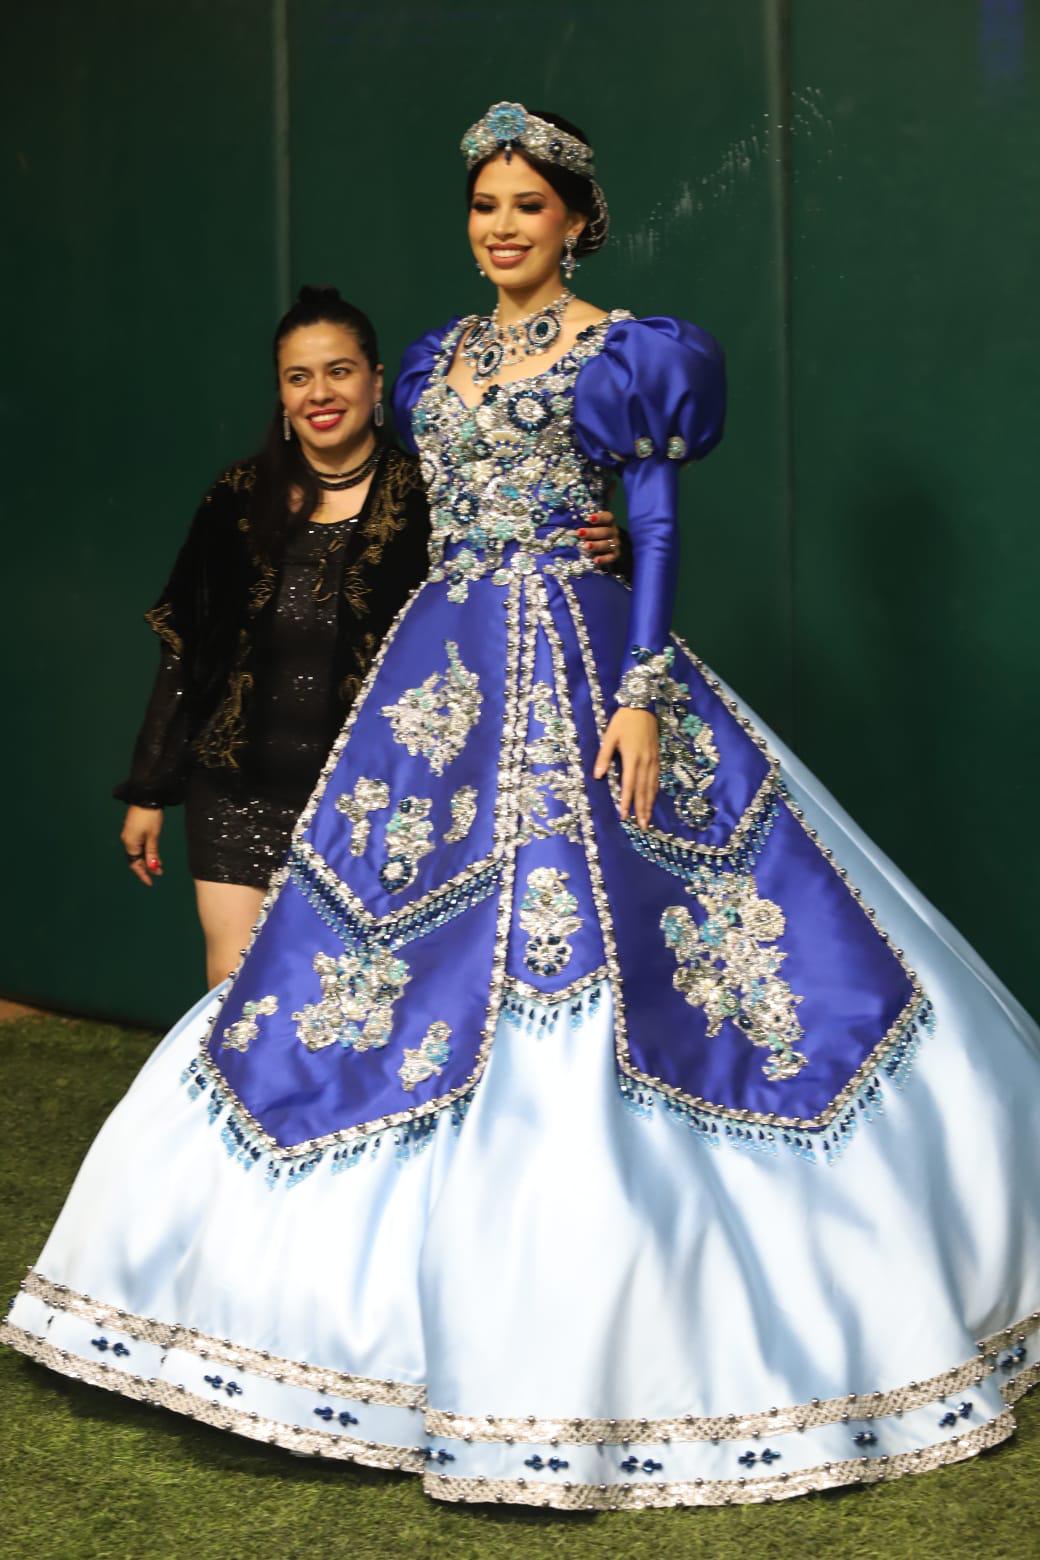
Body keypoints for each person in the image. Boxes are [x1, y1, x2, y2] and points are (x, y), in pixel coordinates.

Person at [4, 103, 1038, 1513]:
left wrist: (638, 689)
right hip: (447, 674)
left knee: (652, 945)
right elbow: (401, 514)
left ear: (575, 221)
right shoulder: (435, 356)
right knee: (379, 955)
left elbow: (660, 525)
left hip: (590, 658)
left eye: (526, 208)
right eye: (484, 204)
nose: (501, 226)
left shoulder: (631, 354)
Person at [115, 285, 627, 987]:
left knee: (355, 1004)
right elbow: (186, 643)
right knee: (234, 998)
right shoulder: (236, 496)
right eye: (298, 377)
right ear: (282, 394)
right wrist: (149, 789)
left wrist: (604, 547)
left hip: (378, 798)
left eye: (339, 371)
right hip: (237, 791)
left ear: (376, 381)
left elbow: (508, 580)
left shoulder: (433, 492)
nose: (319, 392)